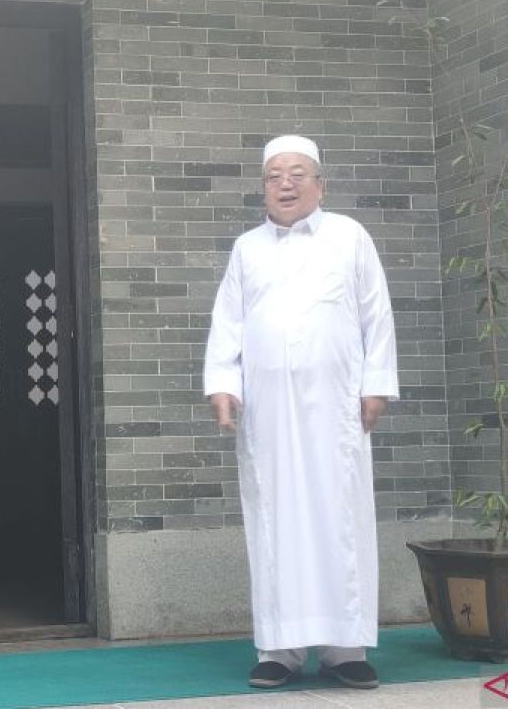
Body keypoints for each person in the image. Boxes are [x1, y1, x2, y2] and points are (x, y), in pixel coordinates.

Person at [203, 135, 399, 690]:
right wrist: (222, 384)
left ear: (321, 184)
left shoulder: (349, 237)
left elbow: (375, 315)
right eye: (273, 176)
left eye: (296, 174)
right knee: (273, 519)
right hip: (267, 414)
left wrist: (376, 384)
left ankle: (345, 649)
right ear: (263, 187)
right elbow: (229, 324)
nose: (284, 184)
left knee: (340, 516)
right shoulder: (248, 249)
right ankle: (279, 649)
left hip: (336, 409)